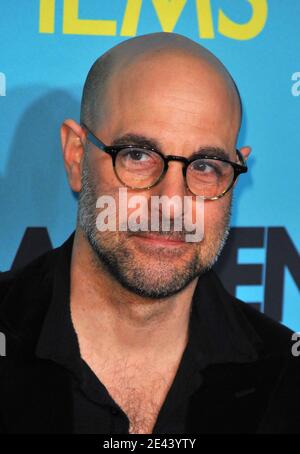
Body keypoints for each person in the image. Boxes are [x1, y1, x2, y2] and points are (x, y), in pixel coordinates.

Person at [0, 32, 299, 434]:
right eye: (138, 155)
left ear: (235, 172)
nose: (171, 203)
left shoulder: (287, 378)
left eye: (206, 165)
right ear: (76, 156)